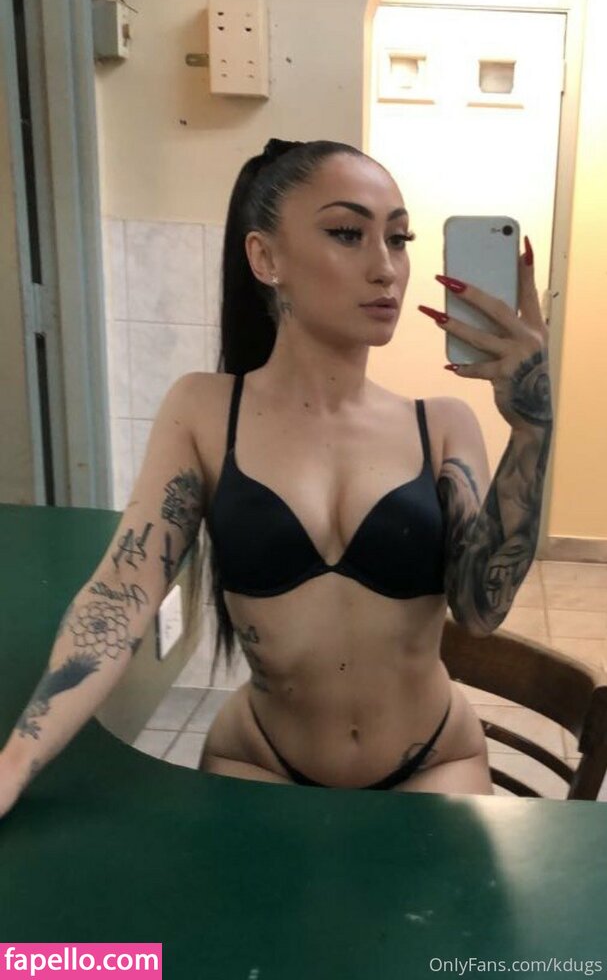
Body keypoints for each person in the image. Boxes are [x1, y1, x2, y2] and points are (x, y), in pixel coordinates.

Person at [0, 137, 551, 814]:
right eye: (347, 233)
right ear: (265, 258)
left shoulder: (439, 425)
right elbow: (122, 593)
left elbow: (480, 611)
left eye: (399, 239)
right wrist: (14, 763)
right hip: (261, 760)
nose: (386, 268)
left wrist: (532, 425)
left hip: (432, 760)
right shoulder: (205, 411)